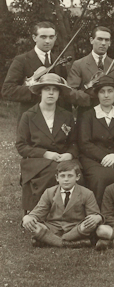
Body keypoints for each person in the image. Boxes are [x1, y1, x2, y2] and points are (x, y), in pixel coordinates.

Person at [16, 73, 79, 212]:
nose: (51, 93)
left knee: (76, 173)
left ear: (59, 93)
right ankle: (40, 213)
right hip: (36, 161)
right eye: (47, 89)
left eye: (55, 89)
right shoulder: (28, 115)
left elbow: (74, 142)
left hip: (62, 159)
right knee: (53, 173)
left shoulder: (66, 115)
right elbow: (21, 146)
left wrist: (69, 154)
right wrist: (45, 154)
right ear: (40, 92)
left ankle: (70, 214)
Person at [78, 74, 114, 206]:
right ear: (97, 95)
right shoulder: (88, 116)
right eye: (102, 92)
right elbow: (84, 143)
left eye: (110, 91)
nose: (106, 95)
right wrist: (103, 156)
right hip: (93, 159)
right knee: (101, 177)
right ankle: (96, 214)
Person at [21, 160, 102, 248]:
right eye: (62, 176)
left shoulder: (87, 193)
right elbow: (38, 212)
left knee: (91, 224)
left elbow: (93, 214)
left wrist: (96, 217)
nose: (66, 179)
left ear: (77, 177)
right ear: (57, 178)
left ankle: (51, 241)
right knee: (34, 226)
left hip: (75, 228)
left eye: (70, 176)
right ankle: (67, 243)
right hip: (53, 228)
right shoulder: (49, 192)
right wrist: (29, 217)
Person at [2, 21, 69, 119]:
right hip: (30, 117)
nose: (48, 41)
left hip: (55, 118)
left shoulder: (58, 61)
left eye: (51, 37)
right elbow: (7, 91)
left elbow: (64, 92)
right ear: (34, 38)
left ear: (55, 38)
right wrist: (35, 89)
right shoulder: (21, 60)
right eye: (43, 37)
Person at [67, 26, 114, 111]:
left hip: (110, 116)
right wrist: (90, 92)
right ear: (91, 40)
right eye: (100, 39)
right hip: (86, 114)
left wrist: (113, 116)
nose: (103, 43)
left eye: (106, 40)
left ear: (110, 43)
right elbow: (71, 92)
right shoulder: (79, 64)